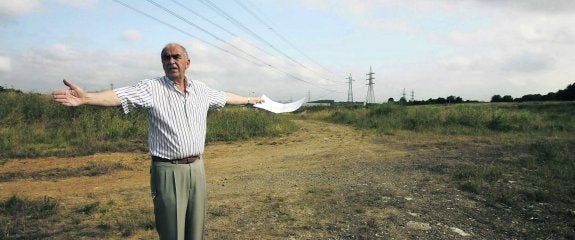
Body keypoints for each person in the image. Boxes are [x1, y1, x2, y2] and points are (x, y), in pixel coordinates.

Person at [52, 43, 263, 240]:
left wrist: (249, 100)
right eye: (166, 58)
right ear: (162, 63)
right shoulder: (152, 88)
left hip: (197, 168)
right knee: (172, 231)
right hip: (167, 171)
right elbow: (120, 96)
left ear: (187, 63)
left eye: (176, 57)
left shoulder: (201, 90)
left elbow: (225, 97)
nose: (171, 61)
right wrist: (87, 98)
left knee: (196, 229)